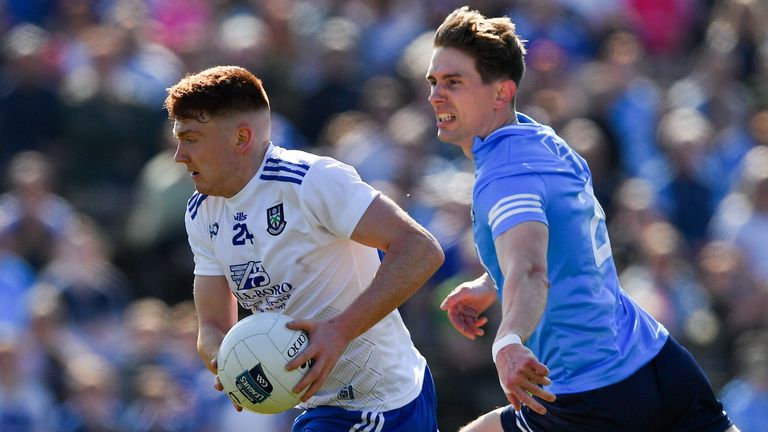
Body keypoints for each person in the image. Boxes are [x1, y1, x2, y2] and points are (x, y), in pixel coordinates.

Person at [427, 7, 739, 432]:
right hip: (657, 360)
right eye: (434, 83)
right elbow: (562, 243)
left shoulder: (503, 176)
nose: (435, 96)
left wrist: (508, 340)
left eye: (453, 83)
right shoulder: (544, 140)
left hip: (588, 392)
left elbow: (532, 270)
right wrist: (491, 282)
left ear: (501, 93)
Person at [164, 65, 444, 432]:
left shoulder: (311, 181)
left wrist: (339, 330)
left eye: (192, 138)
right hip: (325, 407)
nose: (179, 155)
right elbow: (213, 326)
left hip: (379, 402)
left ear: (241, 137)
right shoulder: (202, 212)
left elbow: (420, 249)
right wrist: (229, 361)